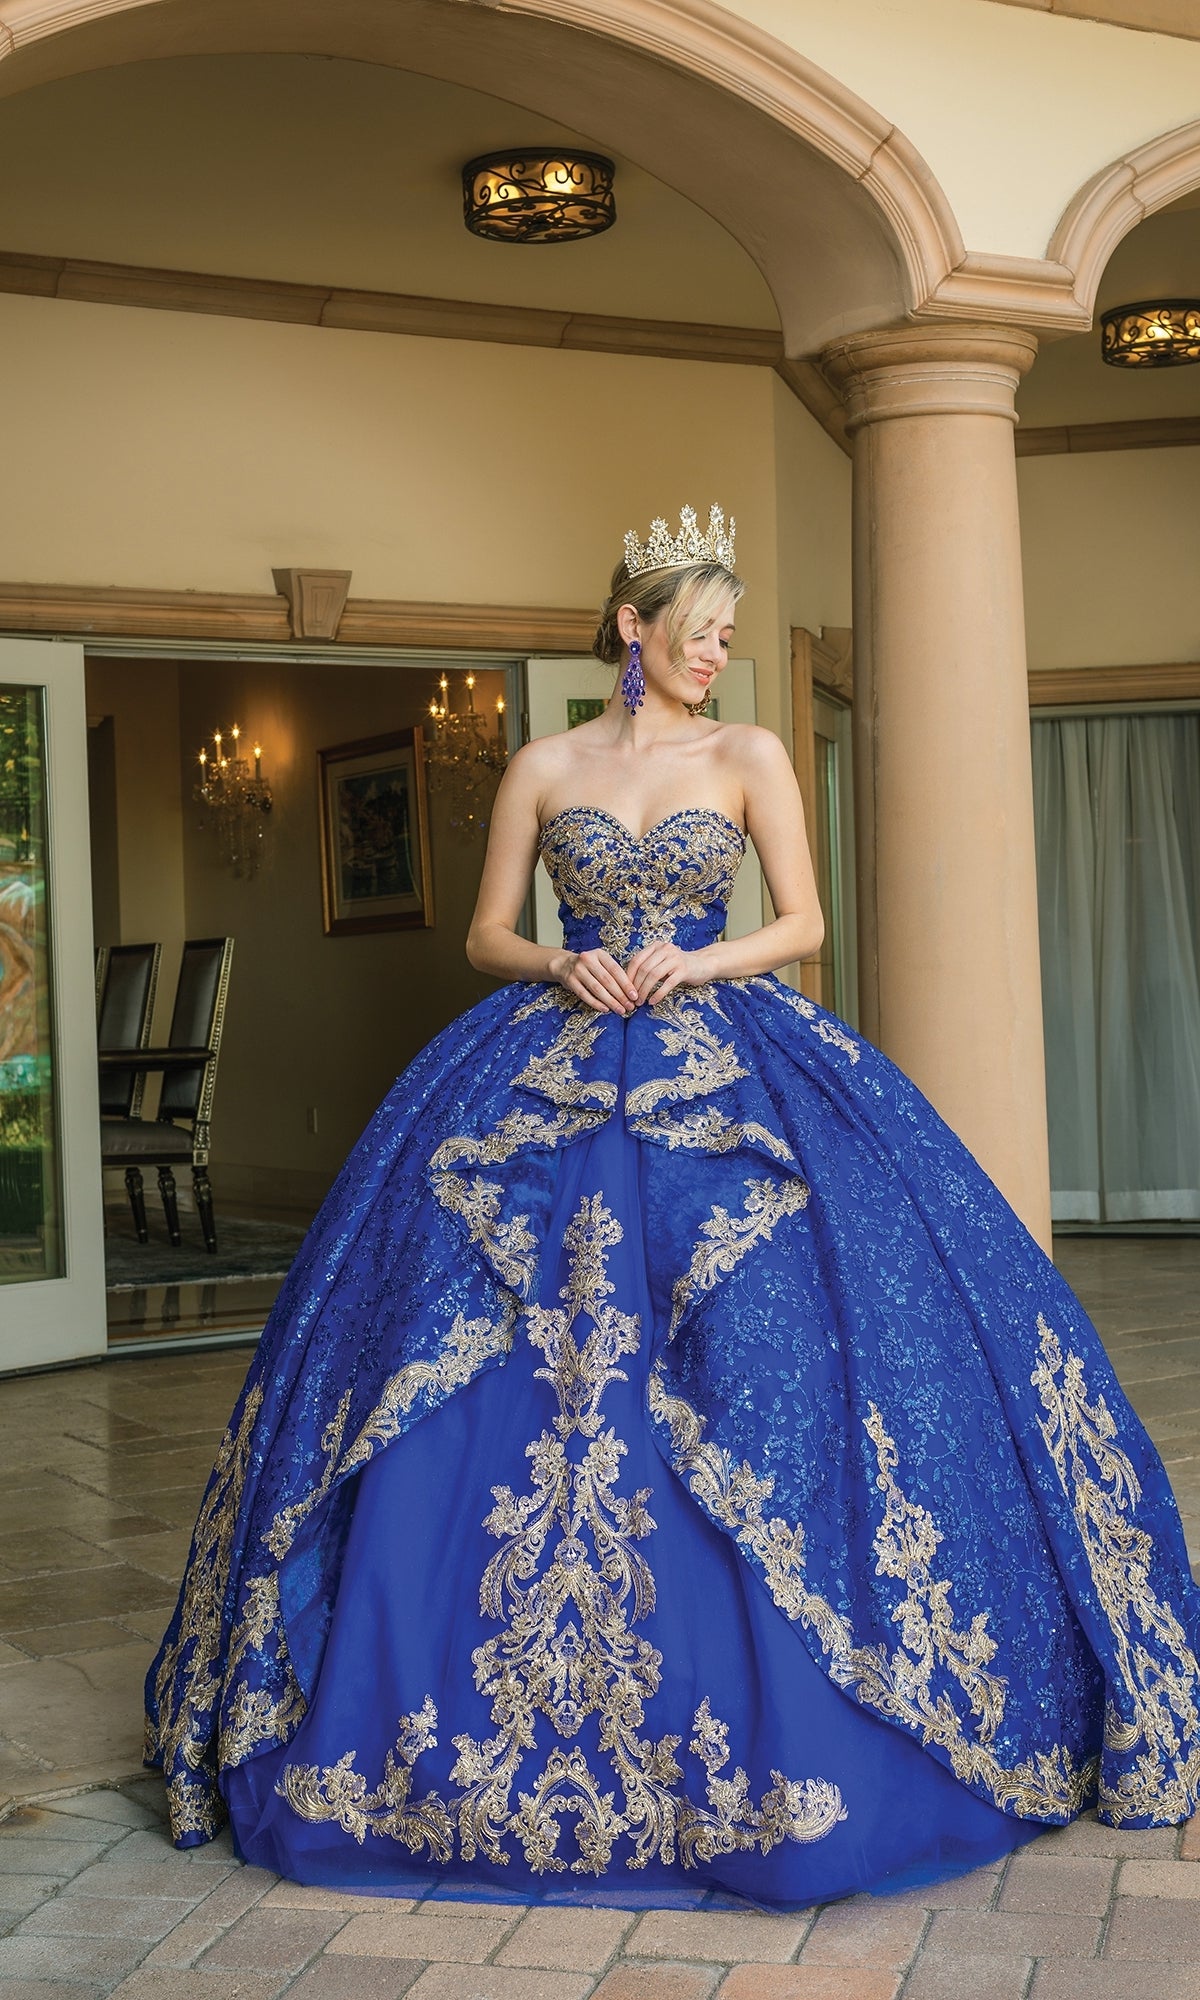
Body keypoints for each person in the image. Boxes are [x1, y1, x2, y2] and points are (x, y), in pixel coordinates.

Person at [146, 503, 1200, 1909]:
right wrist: (556, 964)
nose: (716, 655)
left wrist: (696, 970)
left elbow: (805, 924)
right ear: (633, 631)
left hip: (724, 1057)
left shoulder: (750, 754)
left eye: (726, 635)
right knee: (469, 1331)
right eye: (698, 633)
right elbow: (483, 931)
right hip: (553, 1058)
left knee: (775, 1349)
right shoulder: (543, 762)